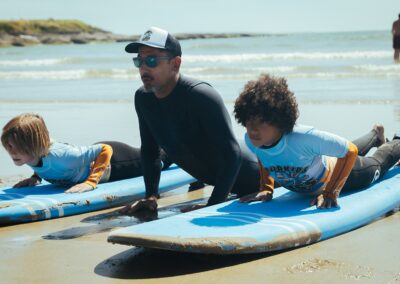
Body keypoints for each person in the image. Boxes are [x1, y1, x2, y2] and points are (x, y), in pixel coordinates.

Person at [120, 26, 261, 214]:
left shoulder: (201, 95)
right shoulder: (143, 98)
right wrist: (151, 196)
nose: (144, 67)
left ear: (176, 63)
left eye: (151, 60)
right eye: (139, 61)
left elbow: (231, 155)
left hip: (259, 178)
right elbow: (150, 150)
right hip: (226, 184)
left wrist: (213, 206)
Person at [233, 74, 400, 208]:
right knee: (337, 149)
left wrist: (330, 192)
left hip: (346, 174)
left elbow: (349, 151)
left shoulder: (302, 138)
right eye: (248, 121)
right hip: (322, 164)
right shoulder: (254, 140)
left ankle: (396, 141)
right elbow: (265, 156)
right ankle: (376, 134)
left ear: (279, 120)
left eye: (261, 122)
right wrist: (266, 188)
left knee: (376, 163)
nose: (253, 129)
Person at [1, 113, 174, 193]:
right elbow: (40, 161)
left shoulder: (63, 156)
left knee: (162, 158)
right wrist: (35, 178)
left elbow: (105, 149)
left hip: (115, 162)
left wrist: (91, 181)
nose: (11, 152)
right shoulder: (31, 154)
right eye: (8, 147)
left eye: (15, 147)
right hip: (88, 158)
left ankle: (181, 142)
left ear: (32, 144)